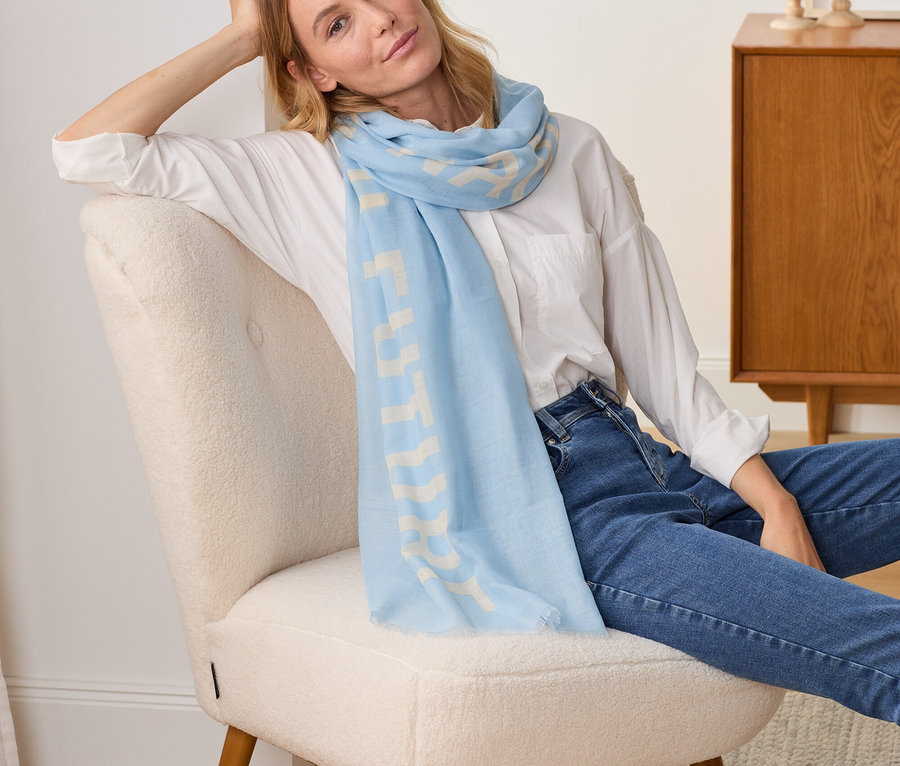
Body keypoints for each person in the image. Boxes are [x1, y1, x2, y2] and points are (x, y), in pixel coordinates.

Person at [54, 0, 900, 725]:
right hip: (550, 522)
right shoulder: (304, 178)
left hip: (649, 466)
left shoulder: (570, 149)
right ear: (312, 71)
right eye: (335, 23)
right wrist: (247, 36)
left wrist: (776, 505)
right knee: (875, 642)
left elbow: (667, 370)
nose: (380, 21)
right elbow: (88, 151)